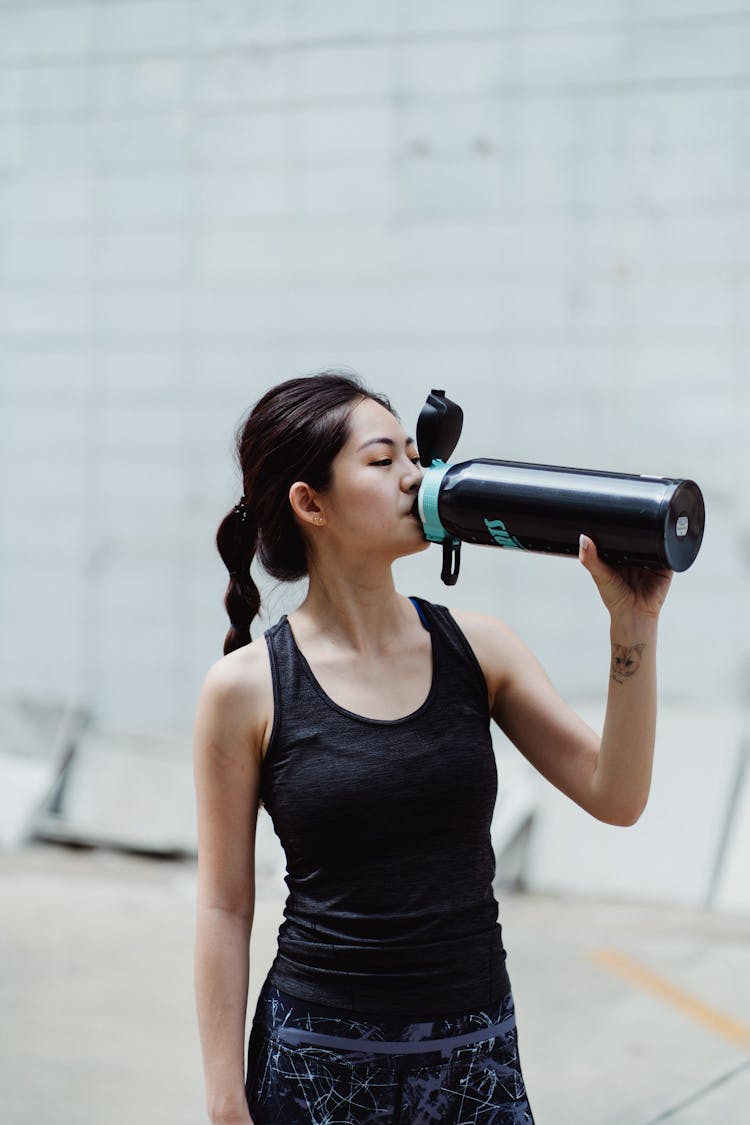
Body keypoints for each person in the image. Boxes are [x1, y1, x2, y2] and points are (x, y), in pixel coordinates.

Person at [193, 371, 672, 1125]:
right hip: (316, 1057)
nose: (416, 477)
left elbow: (618, 795)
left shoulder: (479, 648)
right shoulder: (247, 687)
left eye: (416, 456)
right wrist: (225, 1098)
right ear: (310, 502)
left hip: (474, 1052)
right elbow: (224, 903)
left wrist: (633, 623)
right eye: (383, 461)